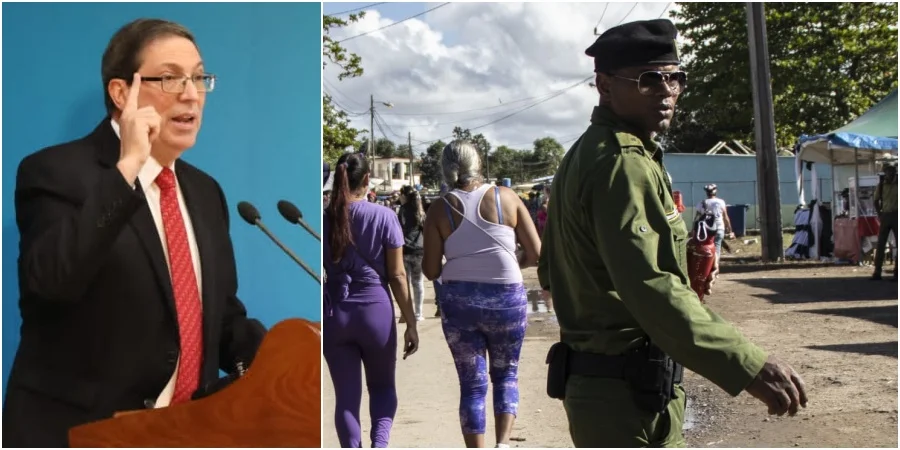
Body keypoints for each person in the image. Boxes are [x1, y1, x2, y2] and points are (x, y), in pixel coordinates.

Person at [538, 19, 807, 448]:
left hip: (609, 391)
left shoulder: (589, 154)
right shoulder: (621, 164)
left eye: (675, 79)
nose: (666, 92)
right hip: (626, 396)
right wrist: (749, 364)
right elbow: (652, 286)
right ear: (605, 86)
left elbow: (553, 271)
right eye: (649, 81)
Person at [3, 19, 267, 447]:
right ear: (121, 93)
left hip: (181, 433)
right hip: (81, 433)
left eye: (199, 77)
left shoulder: (204, 191)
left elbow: (220, 317)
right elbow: (50, 285)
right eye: (169, 78)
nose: (190, 93)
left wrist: (281, 358)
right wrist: (127, 170)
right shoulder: (54, 173)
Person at [422, 141, 542, 448]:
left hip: (459, 300)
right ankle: (502, 444)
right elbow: (536, 252)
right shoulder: (506, 197)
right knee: (506, 376)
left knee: (472, 386)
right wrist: (512, 264)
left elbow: (432, 271)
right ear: (479, 164)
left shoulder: (439, 208)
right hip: (507, 296)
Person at [323, 152, 419, 448]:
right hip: (376, 311)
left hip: (335, 313)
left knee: (346, 399)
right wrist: (411, 322)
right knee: (382, 388)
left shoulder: (324, 218)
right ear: (367, 179)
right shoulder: (385, 216)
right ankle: (380, 445)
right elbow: (398, 276)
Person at [694, 183, 735, 282]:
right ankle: (715, 270)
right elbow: (725, 216)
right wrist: (730, 229)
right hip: (719, 228)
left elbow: (697, 218)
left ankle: (706, 270)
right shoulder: (721, 202)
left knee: (706, 249)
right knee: (717, 249)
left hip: (706, 230)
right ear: (715, 191)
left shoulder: (702, 203)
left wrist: (694, 230)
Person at [398, 185, 426, 321]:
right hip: (420, 250)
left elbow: (399, 229)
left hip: (405, 250)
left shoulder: (403, 210)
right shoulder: (420, 210)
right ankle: (419, 313)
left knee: (406, 282)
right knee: (418, 282)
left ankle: (405, 314)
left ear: (404, 195)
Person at [872, 161, 897, 281]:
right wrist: (880, 214)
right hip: (886, 215)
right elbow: (876, 200)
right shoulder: (881, 185)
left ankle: (897, 272)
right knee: (881, 244)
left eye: (892, 171)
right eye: (888, 171)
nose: (890, 173)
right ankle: (877, 271)